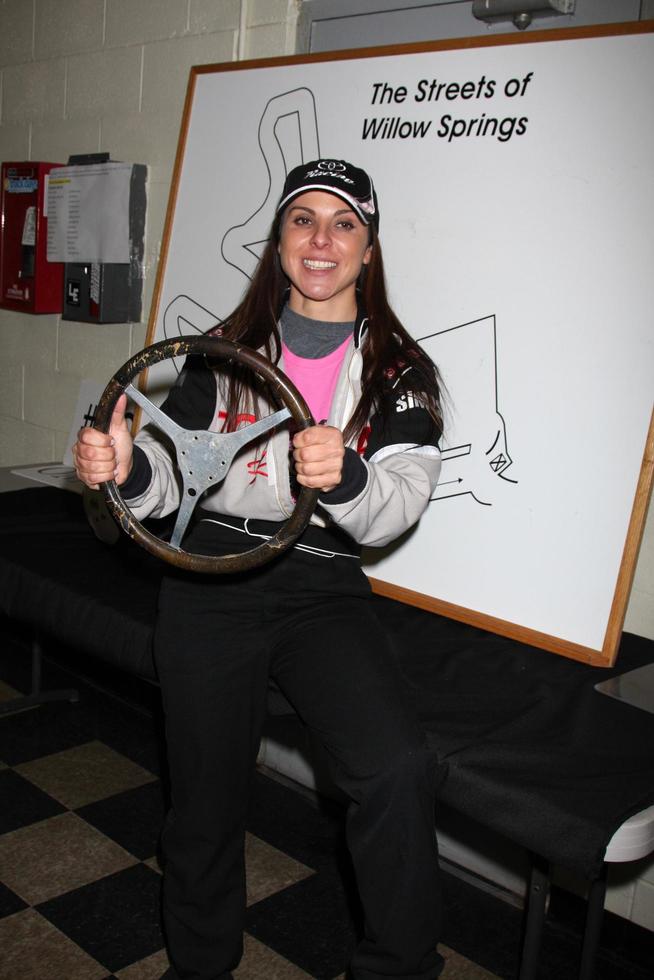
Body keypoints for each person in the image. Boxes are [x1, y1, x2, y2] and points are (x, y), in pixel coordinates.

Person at [74, 159, 445, 980]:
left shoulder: (399, 376)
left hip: (320, 582)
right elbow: (173, 484)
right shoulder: (225, 355)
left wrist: (344, 474)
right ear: (278, 245)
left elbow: (398, 504)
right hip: (211, 574)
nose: (322, 240)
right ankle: (200, 967)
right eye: (302, 221)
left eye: (343, 223)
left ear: (369, 249)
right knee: (203, 802)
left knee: (397, 767)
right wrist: (126, 469)